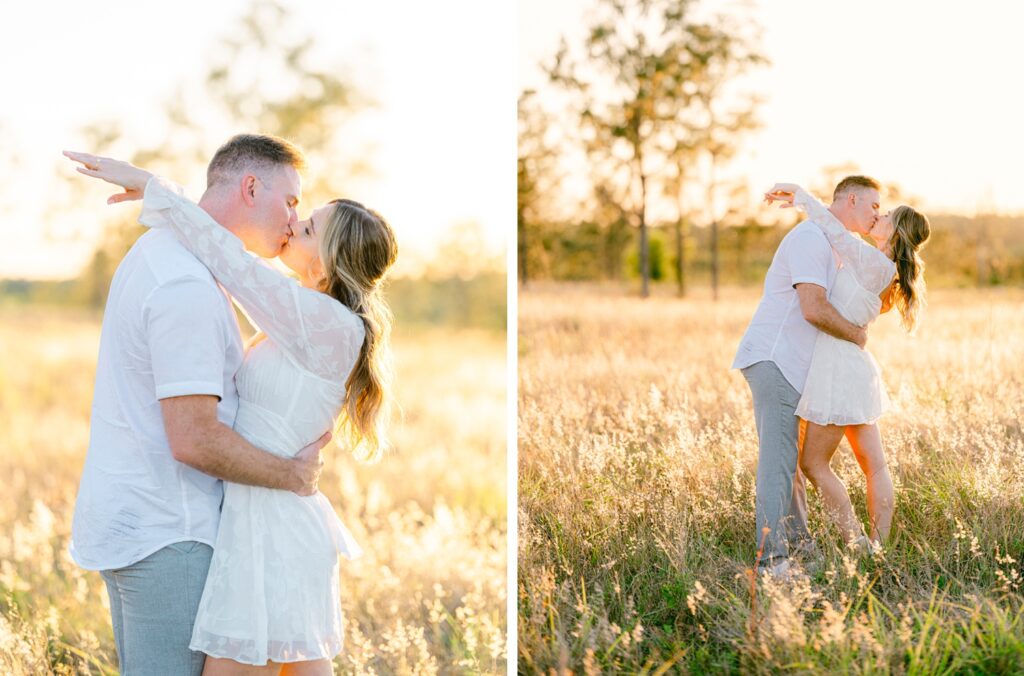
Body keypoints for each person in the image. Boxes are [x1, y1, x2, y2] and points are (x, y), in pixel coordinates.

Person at [66, 135, 398, 675]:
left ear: (329, 262)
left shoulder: (328, 325)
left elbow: (232, 261)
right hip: (242, 520)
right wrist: (163, 193)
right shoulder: (288, 316)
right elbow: (225, 254)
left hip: (272, 523)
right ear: (250, 187)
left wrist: (156, 188)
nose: (293, 222)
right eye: (294, 206)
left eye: (307, 225)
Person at [765, 182, 930, 553]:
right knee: (875, 465)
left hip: (839, 369)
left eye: (887, 214)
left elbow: (834, 230)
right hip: (853, 369)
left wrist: (801, 195)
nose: (879, 215)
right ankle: (877, 546)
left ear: (897, 231)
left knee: (813, 464)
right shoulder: (887, 271)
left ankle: (856, 541)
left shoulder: (873, 262)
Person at [731, 176, 880, 577]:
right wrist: (856, 335)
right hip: (775, 359)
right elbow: (813, 308)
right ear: (852, 199)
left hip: (797, 369)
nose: (877, 215)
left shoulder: (833, 243)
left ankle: (799, 547)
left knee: (792, 463)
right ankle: (772, 560)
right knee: (779, 462)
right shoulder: (810, 239)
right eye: (873, 206)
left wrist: (800, 194)